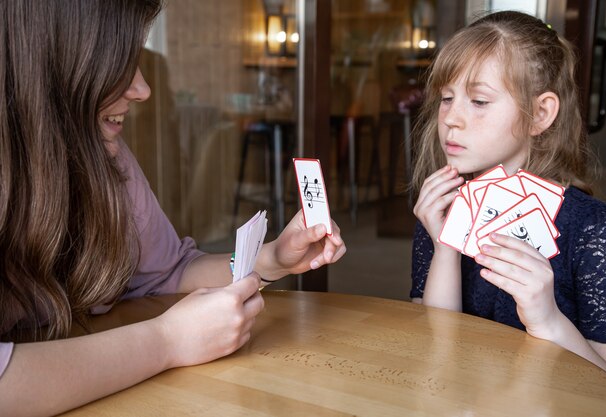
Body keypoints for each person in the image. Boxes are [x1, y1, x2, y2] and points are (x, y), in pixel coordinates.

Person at [0, 1, 346, 415]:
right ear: (52, 61)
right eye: (120, 62)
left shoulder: (107, 159)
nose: (143, 89)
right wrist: (167, 341)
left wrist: (271, 259)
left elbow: (168, 271)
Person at [410, 11, 606, 384]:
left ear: (539, 114)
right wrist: (444, 249)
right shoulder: (442, 210)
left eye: (478, 101)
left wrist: (548, 320)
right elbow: (434, 352)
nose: (451, 119)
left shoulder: (598, 233)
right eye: (446, 97)